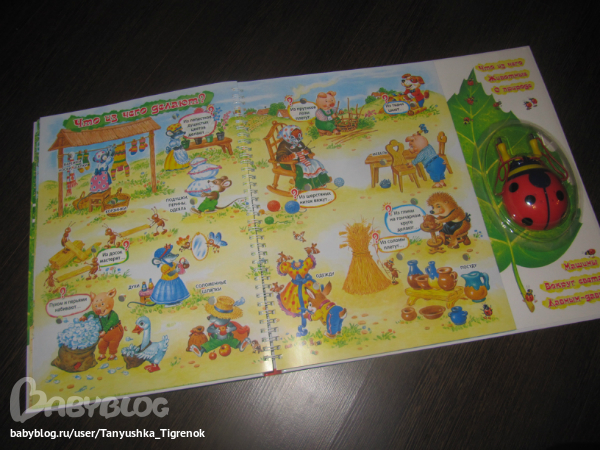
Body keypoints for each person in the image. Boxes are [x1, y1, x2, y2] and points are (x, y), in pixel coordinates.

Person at [276, 125, 330, 190]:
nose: (298, 139)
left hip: (300, 160)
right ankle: (302, 186)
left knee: (315, 163)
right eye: (293, 137)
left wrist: (306, 152)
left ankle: (321, 181)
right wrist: (291, 156)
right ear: (288, 136)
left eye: (299, 136)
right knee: (303, 168)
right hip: (288, 164)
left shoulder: (299, 142)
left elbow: (306, 149)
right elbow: (280, 158)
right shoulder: (283, 145)